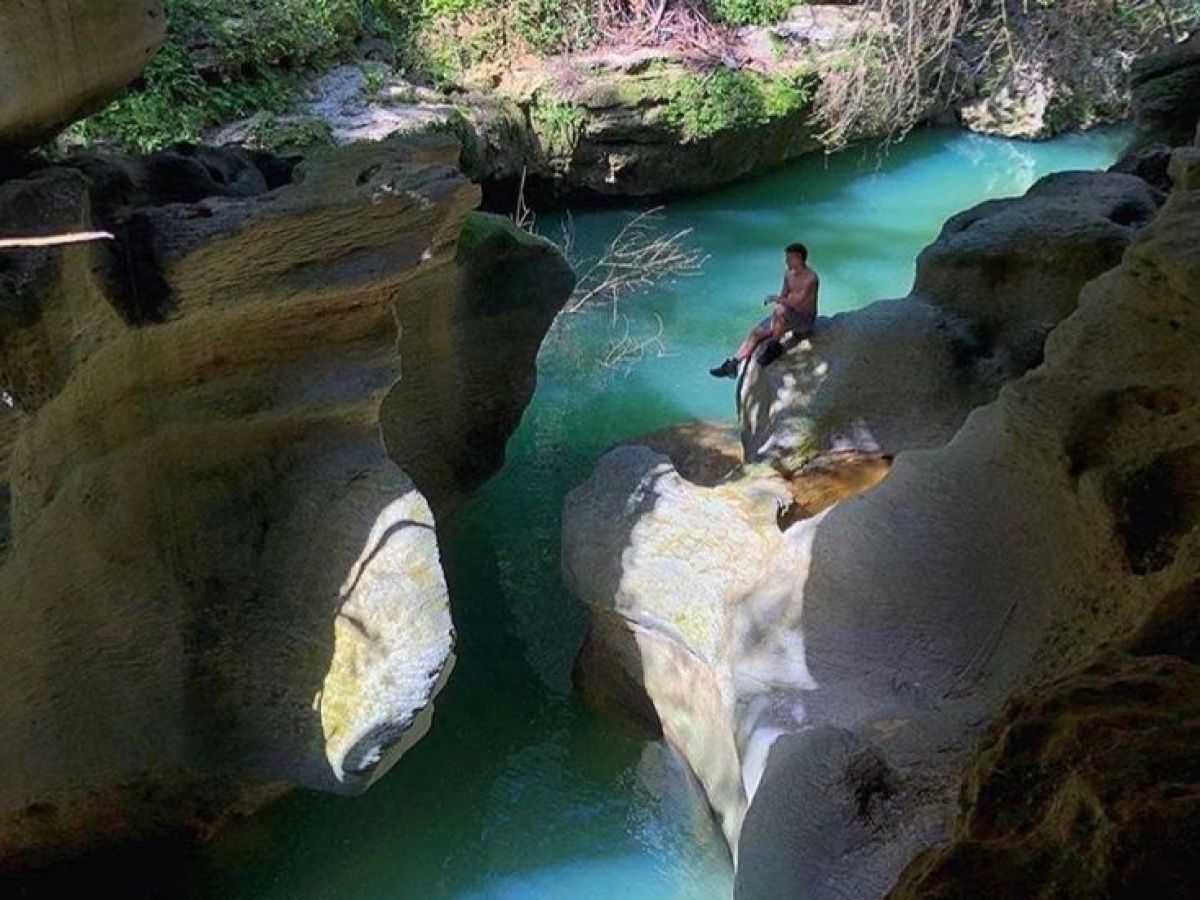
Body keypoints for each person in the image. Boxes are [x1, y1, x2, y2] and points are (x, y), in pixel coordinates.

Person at [710, 242, 819, 378]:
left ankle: (774, 347)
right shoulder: (788, 274)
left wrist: (775, 300)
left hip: (804, 319)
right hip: (788, 315)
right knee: (756, 332)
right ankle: (733, 364)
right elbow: (783, 296)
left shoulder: (811, 279)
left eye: (789, 258)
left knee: (779, 311)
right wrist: (776, 314)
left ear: (798, 258)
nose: (786, 261)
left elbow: (795, 303)